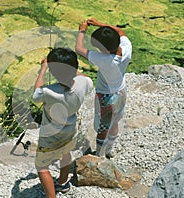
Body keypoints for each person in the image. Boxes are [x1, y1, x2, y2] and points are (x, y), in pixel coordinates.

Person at [33, 47, 93, 198]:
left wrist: (43, 68)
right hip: (70, 129)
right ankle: (62, 183)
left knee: (42, 166)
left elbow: (36, 94)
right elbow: (84, 78)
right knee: (66, 153)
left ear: (53, 72)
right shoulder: (85, 82)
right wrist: (72, 70)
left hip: (50, 134)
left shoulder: (48, 91)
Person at [75, 18, 132, 158]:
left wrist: (82, 30)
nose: (98, 51)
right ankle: (109, 149)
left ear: (104, 49)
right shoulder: (127, 48)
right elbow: (119, 30)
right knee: (115, 122)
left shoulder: (105, 60)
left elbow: (78, 49)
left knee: (102, 127)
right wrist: (101, 25)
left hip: (106, 97)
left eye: (99, 48)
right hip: (121, 91)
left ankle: (99, 154)